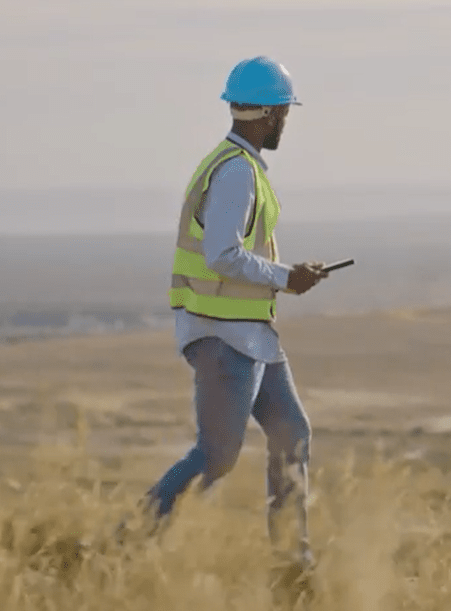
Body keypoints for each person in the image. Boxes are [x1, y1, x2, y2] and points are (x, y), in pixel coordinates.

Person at [140, 55, 330, 568]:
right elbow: (221, 254)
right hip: (223, 336)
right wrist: (285, 277)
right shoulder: (235, 174)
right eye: (285, 113)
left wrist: (286, 276)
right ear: (270, 114)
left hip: (252, 335)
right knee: (217, 457)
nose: (286, 123)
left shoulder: (237, 166)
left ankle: (292, 564)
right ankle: (127, 543)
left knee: (292, 432)